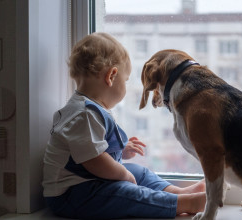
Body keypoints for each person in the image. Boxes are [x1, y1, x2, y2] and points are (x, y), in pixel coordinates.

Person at [42, 32, 206, 219]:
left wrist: (121, 150)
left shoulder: (87, 109)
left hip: (88, 183)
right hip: (72, 195)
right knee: (126, 190)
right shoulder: (84, 114)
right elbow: (94, 160)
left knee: (139, 172)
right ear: (111, 76)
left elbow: (94, 148)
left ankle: (178, 192)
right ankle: (185, 204)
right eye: (126, 80)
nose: (126, 86)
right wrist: (124, 176)